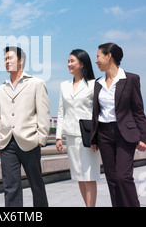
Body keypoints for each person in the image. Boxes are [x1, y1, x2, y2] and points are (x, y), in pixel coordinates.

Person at [91, 43, 146, 207]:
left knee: (123, 177)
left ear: (109, 56)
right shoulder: (98, 83)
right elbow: (95, 113)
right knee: (112, 179)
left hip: (124, 133)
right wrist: (94, 138)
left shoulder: (131, 79)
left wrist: (143, 137)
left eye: (98, 56)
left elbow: (138, 111)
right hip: (103, 134)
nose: (96, 61)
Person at [0, 46, 50, 207]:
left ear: (20, 61)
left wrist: (41, 138)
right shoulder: (0, 89)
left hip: (30, 140)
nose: (7, 62)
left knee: (36, 184)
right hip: (6, 143)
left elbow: (43, 113)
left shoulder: (36, 84)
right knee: (10, 187)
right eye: (5, 59)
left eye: (10, 58)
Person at [56, 49, 100, 207]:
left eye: (72, 61)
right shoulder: (64, 85)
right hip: (71, 136)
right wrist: (58, 136)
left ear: (82, 63)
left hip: (88, 136)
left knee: (89, 175)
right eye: (68, 61)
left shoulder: (94, 84)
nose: (69, 64)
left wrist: (96, 136)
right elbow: (61, 111)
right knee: (79, 177)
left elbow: (97, 112)